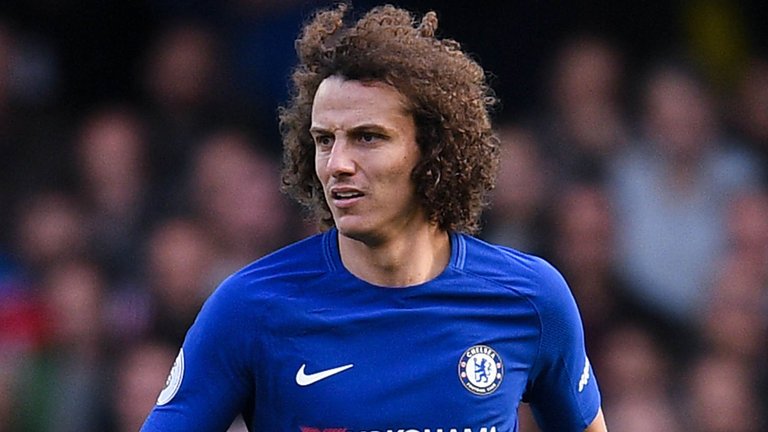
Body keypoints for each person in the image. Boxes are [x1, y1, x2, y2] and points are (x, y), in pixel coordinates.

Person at [141, 4, 607, 431]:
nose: (337, 164)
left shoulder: (531, 300)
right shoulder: (251, 307)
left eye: (367, 137)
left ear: (433, 150)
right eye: (324, 140)